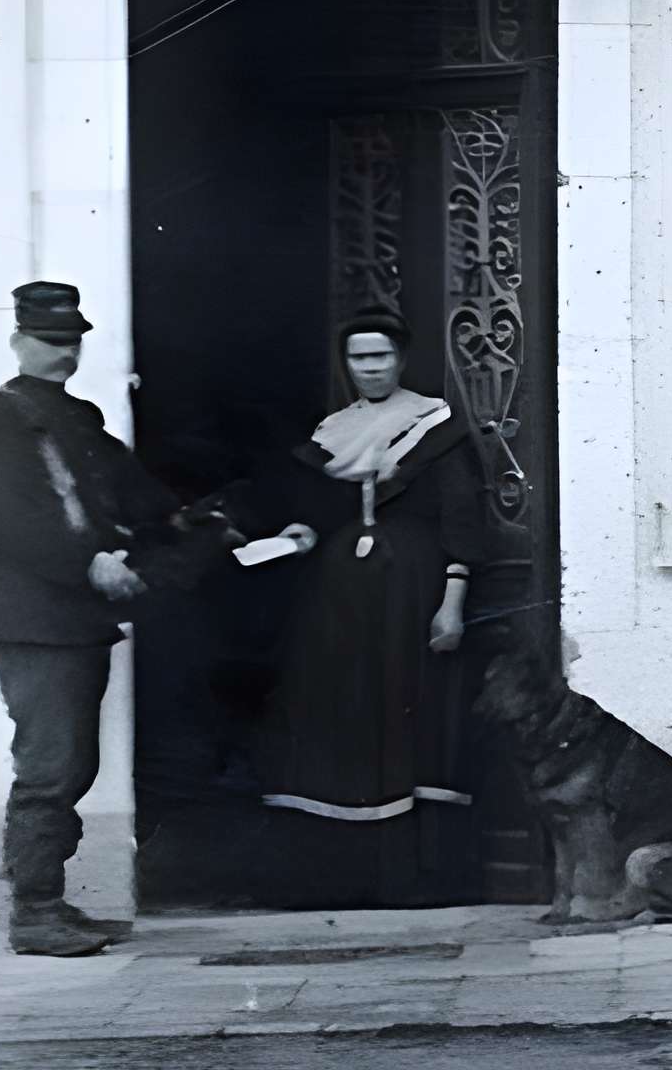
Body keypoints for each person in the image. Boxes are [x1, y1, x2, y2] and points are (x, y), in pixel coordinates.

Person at [0, 282, 204, 955]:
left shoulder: (81, 418)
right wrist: (90, 563)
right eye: (49, 340)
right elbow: (13, 521)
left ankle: (50, 903)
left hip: (76, 621)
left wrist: (196, 522)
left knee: (73, 766)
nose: (64, 352)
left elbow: (136, 494)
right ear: (19, 340)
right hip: (33, 622)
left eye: (72, 341)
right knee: (50, 766)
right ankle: (34, 912)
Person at [257, 312, 498, 906]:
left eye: (381, 356)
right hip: (340, 597)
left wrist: (451, 605)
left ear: (401, 360)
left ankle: (413, 877)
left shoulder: (435, 426)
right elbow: (320, 510)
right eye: (359, 358)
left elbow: (460, 520)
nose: (370, 368)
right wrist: (300, 532)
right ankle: (342, 876)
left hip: (412, 591)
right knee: (344, 712)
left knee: (405, 711)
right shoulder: (333, 431)